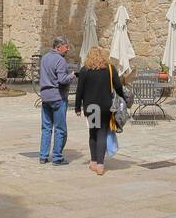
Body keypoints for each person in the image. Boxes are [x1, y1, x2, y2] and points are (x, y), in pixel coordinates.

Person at [73, 46, 125, 176]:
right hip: (106, 106)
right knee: (102, 133)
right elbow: (118, 86)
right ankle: (101, 165)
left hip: (91, 107)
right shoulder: (110, 69)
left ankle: (93, 161)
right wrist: (123, 98)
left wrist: (77, 107)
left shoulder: (85, 70)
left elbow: (79, 91)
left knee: (93, 133)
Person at [38, 36, 72, 165]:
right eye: (66, 46)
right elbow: (62, 80)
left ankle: (43, 156)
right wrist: (72, 76)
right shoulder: (60, 60)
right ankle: (57, 157)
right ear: (58, 47)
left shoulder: (45, 58)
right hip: (58, 97)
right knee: (60, 128)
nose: (67, 49)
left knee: (46, 128)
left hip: (45, 96)